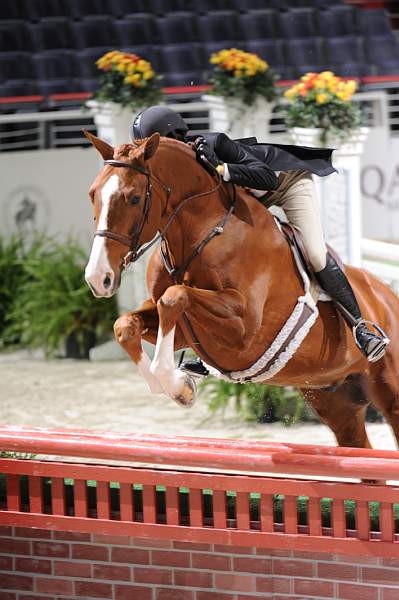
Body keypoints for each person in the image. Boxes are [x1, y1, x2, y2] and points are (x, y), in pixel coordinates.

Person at [132, 106, 389, 375]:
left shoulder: (213, 143)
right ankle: (205, 351)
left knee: (314, 253)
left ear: (169, 137)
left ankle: (361, 327)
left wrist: (220, 167)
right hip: (251, 197)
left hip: (287, 185)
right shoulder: (178, 172)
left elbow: (265, 176)